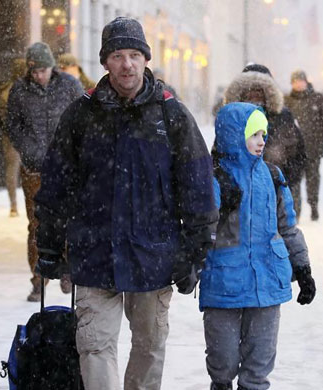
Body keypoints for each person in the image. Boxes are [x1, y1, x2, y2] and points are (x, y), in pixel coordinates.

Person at [33, 17, 218, 390]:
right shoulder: (82, 115)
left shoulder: (171, 114)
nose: (127, 65)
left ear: (146, 59)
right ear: (105, 62)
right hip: (93, 253)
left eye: (134, 55)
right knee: (94, 347)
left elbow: (197, 187)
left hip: (153, 255)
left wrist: (195, 252)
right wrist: (50, 246)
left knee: (149, 347)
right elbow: (55, 186)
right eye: (118, 55)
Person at [201, 102, 316, 390]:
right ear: (233, 135)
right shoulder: (214, 177)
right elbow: (200, 229)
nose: (261, 141)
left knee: (260, 360)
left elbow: (287, 226)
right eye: (254, 135)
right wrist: (189, 266)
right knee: (223, 359)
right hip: (224, 283)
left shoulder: (273, 176)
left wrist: (302, 267)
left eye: (264, 134)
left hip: (267, 281)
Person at [6, 42, 85, 301]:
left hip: (66, 169)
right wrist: (29, 150)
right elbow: (13, 125)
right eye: (34, 71)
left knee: (68, 221)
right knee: (37, 225)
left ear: (52, 67)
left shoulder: (70, 86)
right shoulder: (19, 90)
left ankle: (66, 270)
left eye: (43, 70)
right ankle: (38, 278)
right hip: (35, 169)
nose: (38, 75)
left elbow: (83, 119)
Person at [223, 64, 306, 218]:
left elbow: (297, 154)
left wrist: (285, 185)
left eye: (259, 91)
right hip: (237, 200)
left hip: (274, 195)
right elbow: (220, 155)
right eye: (250, 91)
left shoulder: (283, 117)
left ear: (269, 92)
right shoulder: (231, 118)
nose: (254, 96)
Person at [284, 70, 323, 221]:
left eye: (301, 81)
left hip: (313, 148)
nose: (298, 84)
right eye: (295, 81)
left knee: (313, 178)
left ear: (306, 82)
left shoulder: (317, 99)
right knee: (294, 180)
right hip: (292, 150)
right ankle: (295, 210)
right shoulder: (287, 101)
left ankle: (313, 205)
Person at [0, 58, 26, 217]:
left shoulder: (4, 89)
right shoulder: (25, 90)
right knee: (30, 170)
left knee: (12, 169)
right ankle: (28, 202)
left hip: (9, 136)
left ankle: (13, 205)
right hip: (26, 136)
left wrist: (4, 127)